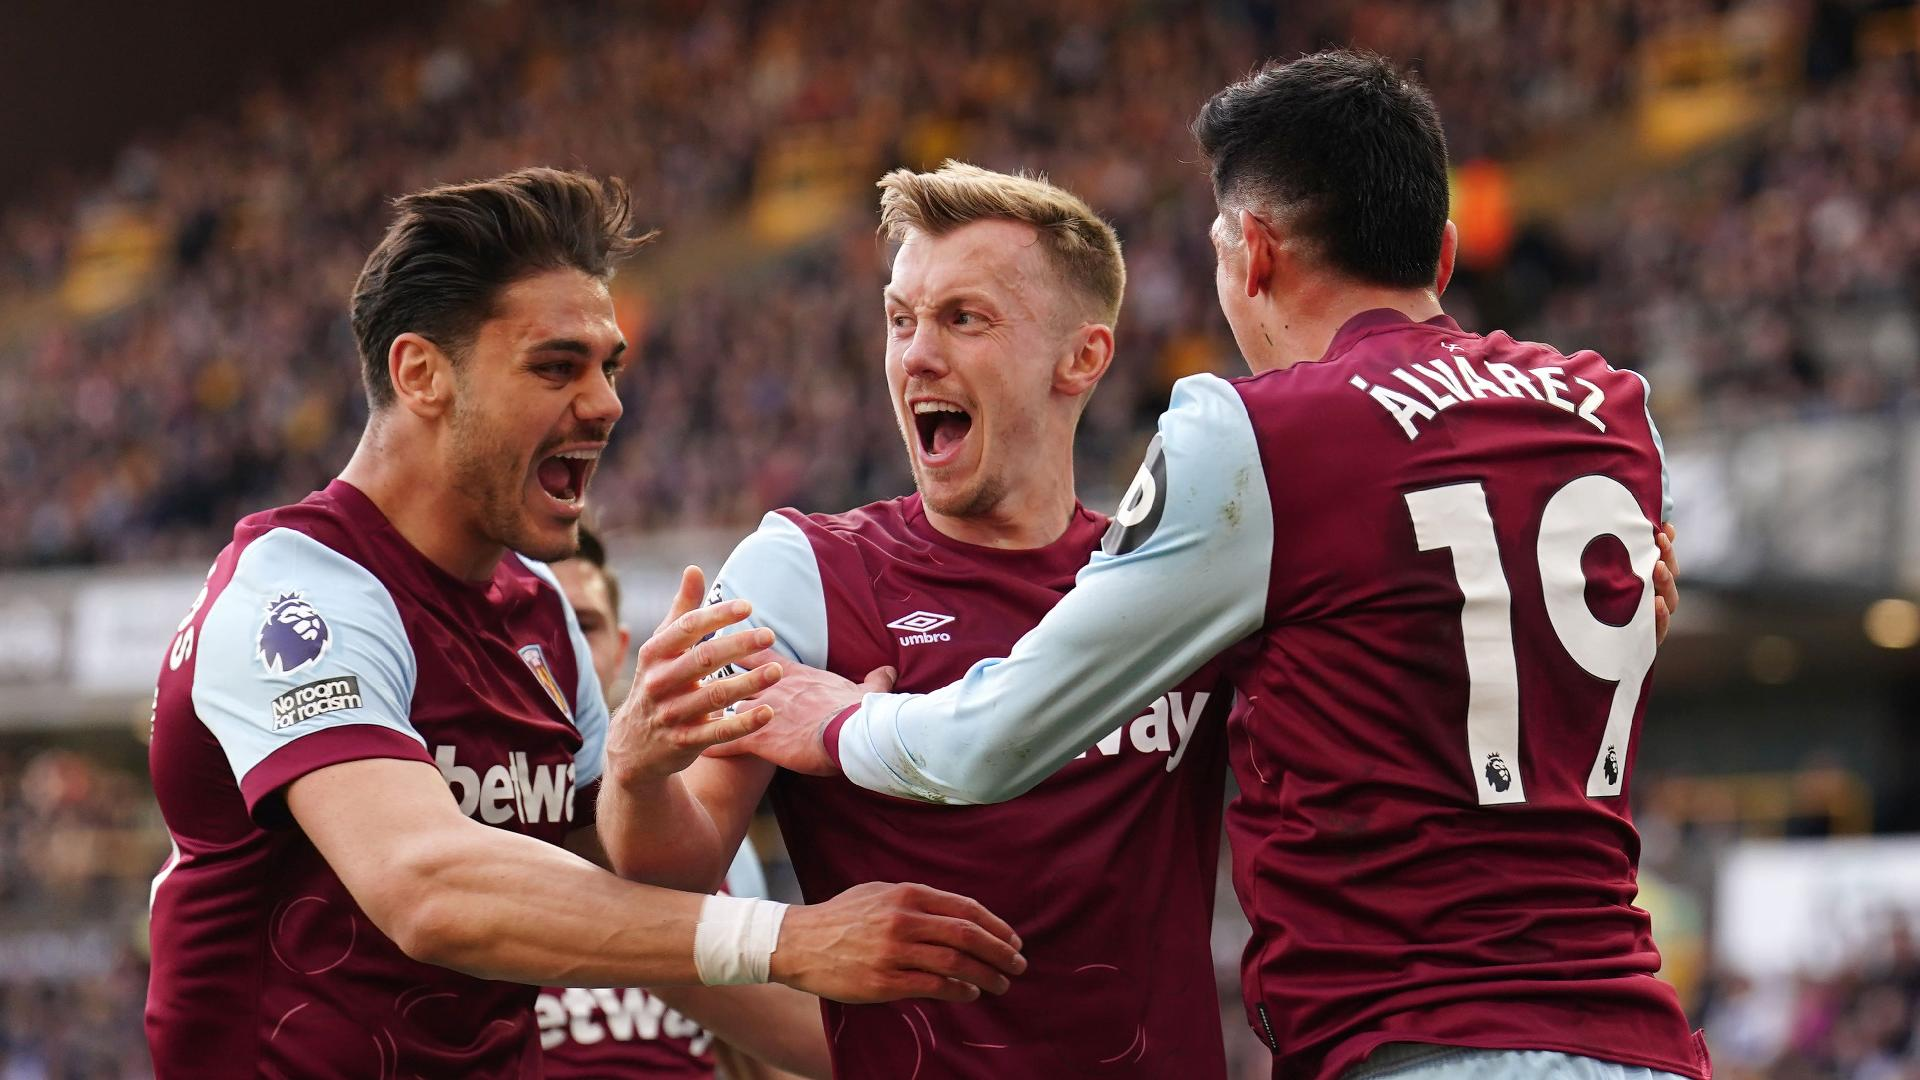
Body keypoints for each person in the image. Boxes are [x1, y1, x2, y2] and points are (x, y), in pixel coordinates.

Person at [724, 52, 1706, 1080]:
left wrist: (834, 718)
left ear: (1255, 253)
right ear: (1444, 255)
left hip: (1415, 1039)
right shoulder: (1614, 414)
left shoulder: (1260, 431)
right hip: (1639, 1037)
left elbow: (998, 740)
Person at [143, 167, 1024, 1079]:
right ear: (421, 374)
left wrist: (742, 746)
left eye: (609, 366)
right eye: (557, 366)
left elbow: (646, 906)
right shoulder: (297, 594)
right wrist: (790, 936)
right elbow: (425, 888)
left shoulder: (540, 612)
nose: (606, 403)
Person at [598, 163, 1238, 1077]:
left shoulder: (1165, 584)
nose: (915, 356)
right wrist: (637, 769)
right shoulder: (804, 573)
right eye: (901, 319)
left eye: (963, 319)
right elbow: (670, 873)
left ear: (1083, 357)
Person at [538, 528, 820, 1080]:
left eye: (583, 627)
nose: (560, 650)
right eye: (540, 624)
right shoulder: (468, 826)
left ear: (621, 650)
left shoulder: (702, 837)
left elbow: (757, 1052)